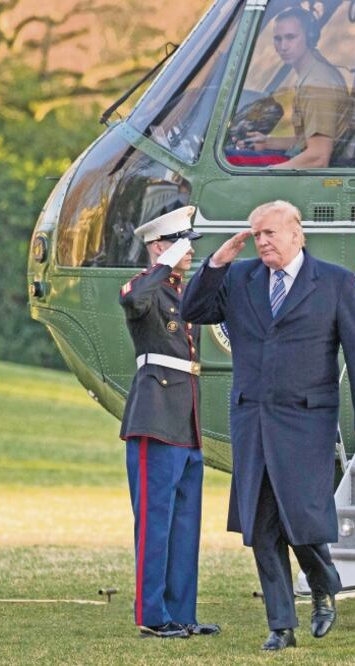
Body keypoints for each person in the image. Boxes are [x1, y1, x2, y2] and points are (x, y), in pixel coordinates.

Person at [181, 200, 355, 651]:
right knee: (261, 522)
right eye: (257, 235)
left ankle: (323, 583)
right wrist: (216, 262)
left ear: (298, 234)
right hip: (252, 415)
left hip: (306, 418)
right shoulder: (239, 277)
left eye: (271, 232)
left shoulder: (332, 281)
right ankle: (281, 625)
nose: (263, 241)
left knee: (302, 516)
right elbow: (192, 309)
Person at [118, 206, 220, 639]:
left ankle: (181, 613)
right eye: (183, 242)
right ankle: (152, 615)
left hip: (185, 418)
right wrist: (161, 261)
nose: (191, 250)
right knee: (155, 521)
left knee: (184, 522)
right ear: (162, 247)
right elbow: (131, 298)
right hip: (154, 417)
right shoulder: (149, 287)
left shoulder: (183, 290)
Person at [239, 7, 351, 168]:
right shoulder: (312, 73)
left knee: (232, 162)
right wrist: (267, 142)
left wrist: (267, 174)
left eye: (290, 37)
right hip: (304, 159)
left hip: (315, 176)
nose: (283, 46)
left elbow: (318, 157)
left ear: (310, 38)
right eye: (278, 39)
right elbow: (310, 139)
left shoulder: (317, 85)